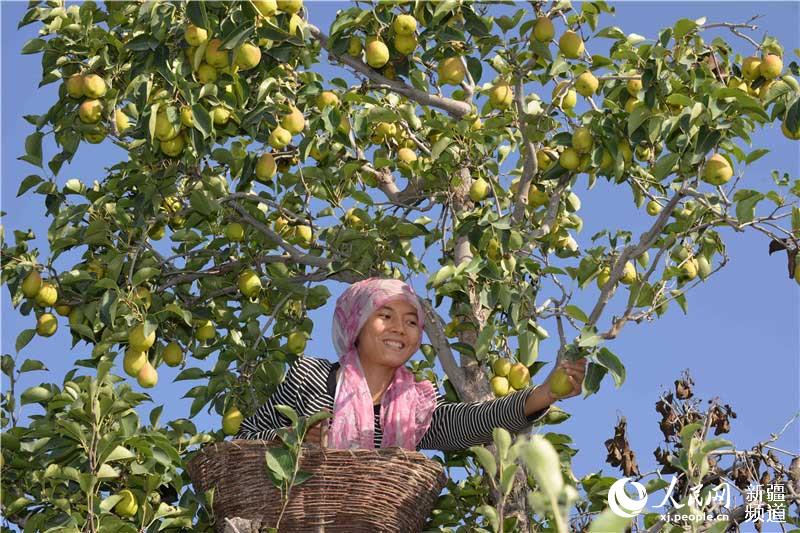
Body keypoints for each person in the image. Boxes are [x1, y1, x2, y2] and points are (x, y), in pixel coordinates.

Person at [235, 277, 587, 451]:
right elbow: (241, 439)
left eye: (410, 321)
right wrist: (292, 439)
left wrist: (544, 394)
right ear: (355, 324)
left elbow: (471, 421)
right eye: (384, 315)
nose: (398, 329)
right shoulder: (310, 376)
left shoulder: (415, 403)